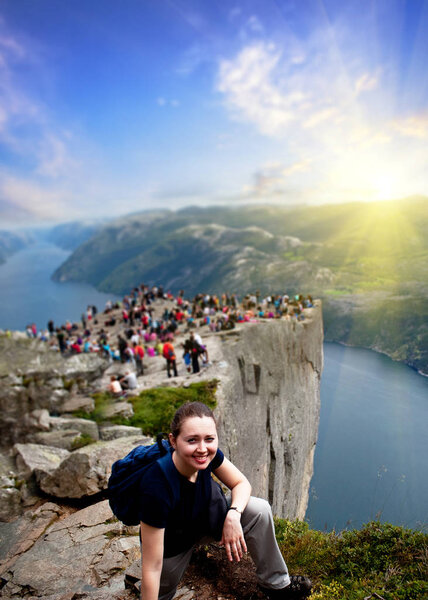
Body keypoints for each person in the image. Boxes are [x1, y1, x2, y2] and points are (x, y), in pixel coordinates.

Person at [138, 402, 312, 600]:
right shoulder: (156, 486)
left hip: (209, 520)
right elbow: (152, 567)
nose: (202, 449)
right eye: (192, 440)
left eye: (209, 439)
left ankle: (276, 585)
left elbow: (241, 483)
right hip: (172, 544)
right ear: (173, 441)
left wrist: (233, 515)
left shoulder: (209, 456)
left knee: (259, 510)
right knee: (160, 591)